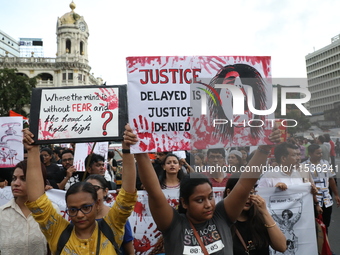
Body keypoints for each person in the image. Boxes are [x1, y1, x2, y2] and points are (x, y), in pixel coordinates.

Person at [126, 124, 281, 254]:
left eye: (210, 197)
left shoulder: (221, 216)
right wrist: (139, 150)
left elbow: (244, 184)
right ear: (184, 203)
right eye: (199, 200)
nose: (208, 204)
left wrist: (265, 148)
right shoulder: (173, 224)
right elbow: (154, 192)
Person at [23, 127, 137, 254]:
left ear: (97, 204)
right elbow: (37, 202)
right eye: (73, 209)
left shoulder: (112, 227)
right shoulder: (58, 232)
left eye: (86, 207)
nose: (80, 215)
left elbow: (127, 196)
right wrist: (32, 150)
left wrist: (127, 148)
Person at [224, 175, 286, 255]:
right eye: (244, 192)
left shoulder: (259, 218)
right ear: (229, 192)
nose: (248, 197)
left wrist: (264, 212)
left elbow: (282, 246)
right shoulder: (222, 221)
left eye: (251, 192)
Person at [0, 160, 51, 255]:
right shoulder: (2, 213)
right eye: (14, 178)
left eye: (23, 179)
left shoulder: (50, 211)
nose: (16, 183)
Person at [85, 174, 134, 255]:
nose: (91, 192)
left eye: (95, 188)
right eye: (87, 189)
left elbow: (128, 245)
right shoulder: (79, 217)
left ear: (105, 191)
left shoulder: (117, 216)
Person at [302, 144, 340, 233]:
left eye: (321, 153)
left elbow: (331, 179)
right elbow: (306, 185)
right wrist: (316, 204)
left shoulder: (326, 163)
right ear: (310, 153)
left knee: (325, 225)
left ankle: (324, 244)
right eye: (318, 153)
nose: (320, 155)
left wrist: (336, 195)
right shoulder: (304, 166)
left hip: (327, 200)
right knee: (314, 225)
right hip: (312, 201)